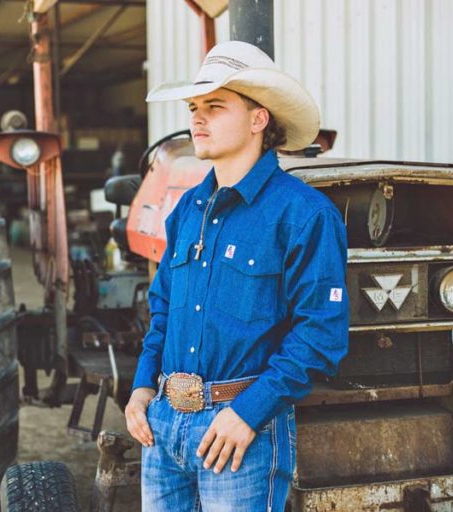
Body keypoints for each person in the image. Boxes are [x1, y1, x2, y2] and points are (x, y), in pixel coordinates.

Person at [125, 40, 350, 512]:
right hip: (164, 427)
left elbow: (320, 334)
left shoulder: (304, 214)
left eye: (215, 105)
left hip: (238, 430)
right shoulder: (187, 208)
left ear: (257, 118)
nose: (197, 118)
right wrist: (144, 386)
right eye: (193, 107)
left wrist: (247, 414)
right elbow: (163, 308)